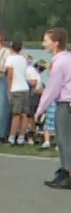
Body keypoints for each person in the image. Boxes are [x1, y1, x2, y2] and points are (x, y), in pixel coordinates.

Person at [36, 29, 71, 189]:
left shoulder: (59, 63)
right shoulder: (67, 58)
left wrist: (40, 109)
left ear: (56, 42)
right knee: (64, 140)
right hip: (64, 102)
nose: (44, 44)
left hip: (66, 103)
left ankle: (68, 173)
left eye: (46, 40)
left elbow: (52, 89)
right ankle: (64, 170)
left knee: (65, 140)